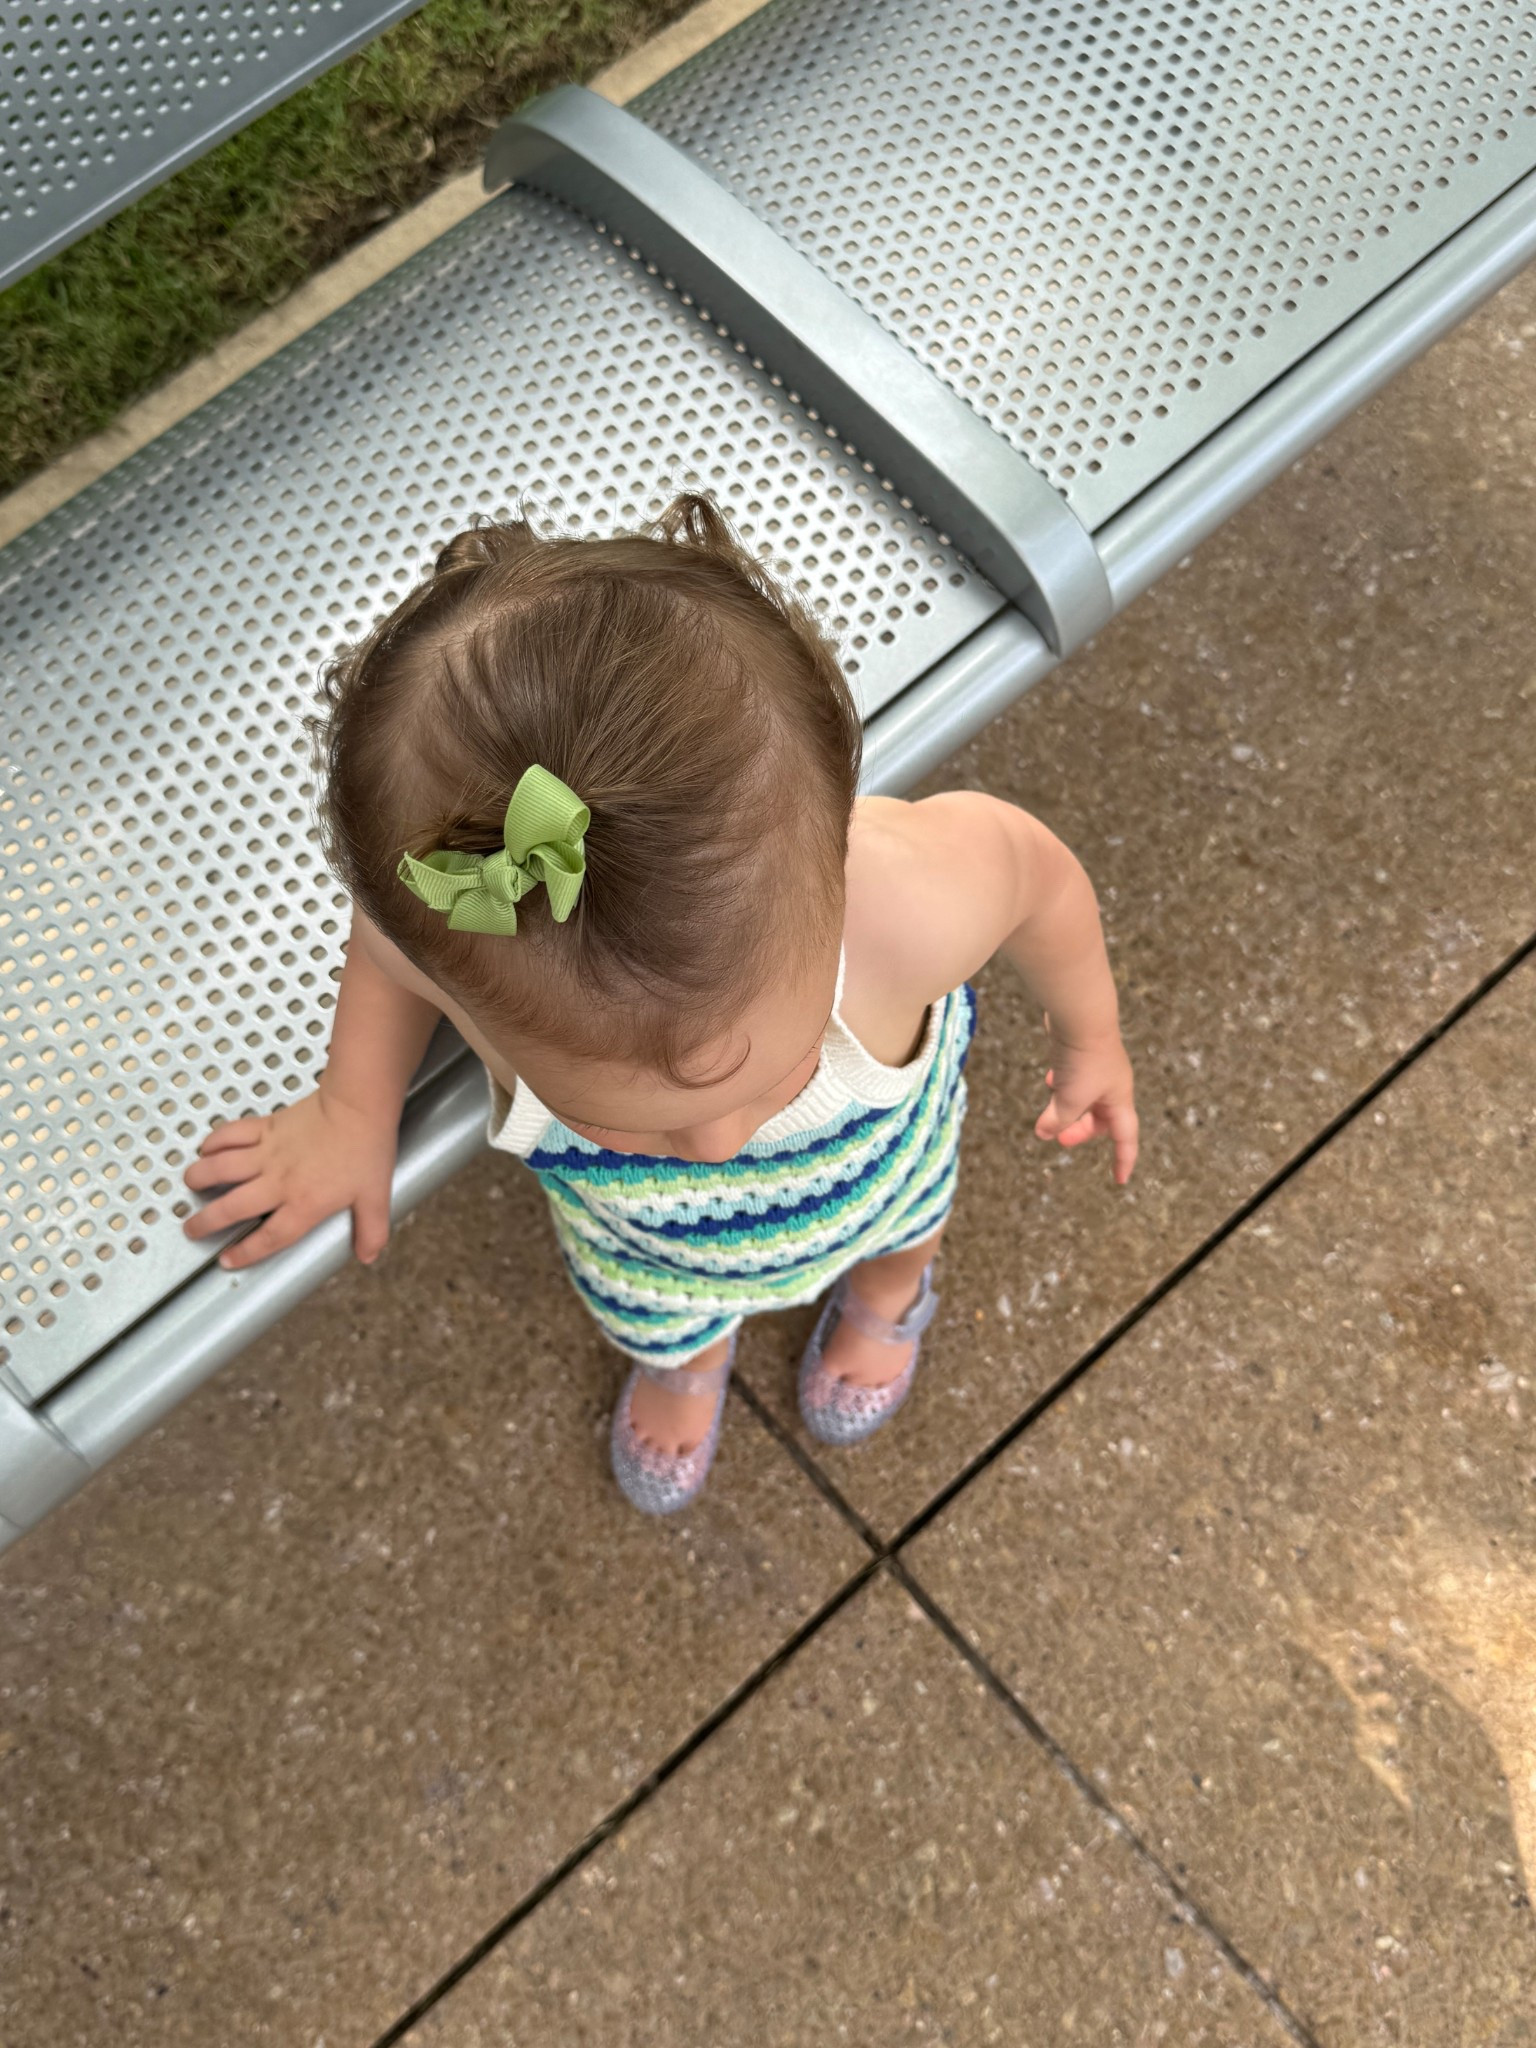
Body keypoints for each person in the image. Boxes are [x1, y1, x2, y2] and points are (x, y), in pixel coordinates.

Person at [182, 494, 1137, 1514]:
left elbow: (1036, 877)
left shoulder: (904, 905)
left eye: (776, 1073)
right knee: (660, 1317)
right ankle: (687, 1357)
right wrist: (351, 1111)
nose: (713, 1146)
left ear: (838, 862)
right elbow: (385, 949)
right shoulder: (467, 939)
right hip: (653, 1257)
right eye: (617, 1116)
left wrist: (1092, 1035)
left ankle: (888, 1294)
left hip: (883, 1182)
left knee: (907, 1228)